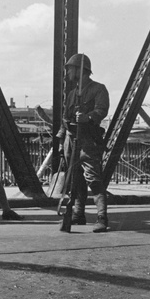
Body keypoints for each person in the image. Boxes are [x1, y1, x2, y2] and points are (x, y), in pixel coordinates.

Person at [56, 53, 110, 233]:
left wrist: (88, 117)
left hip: (88, 140)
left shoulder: (98, 89)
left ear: (80, 71)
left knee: (93, 179)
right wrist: (60, 138)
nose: (68, 73)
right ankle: (78, 214)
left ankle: (102, 217)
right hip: (71, 141)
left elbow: (101, 110)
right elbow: (65, 118)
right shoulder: (71, 94)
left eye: (70, 69)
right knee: (75, 180)